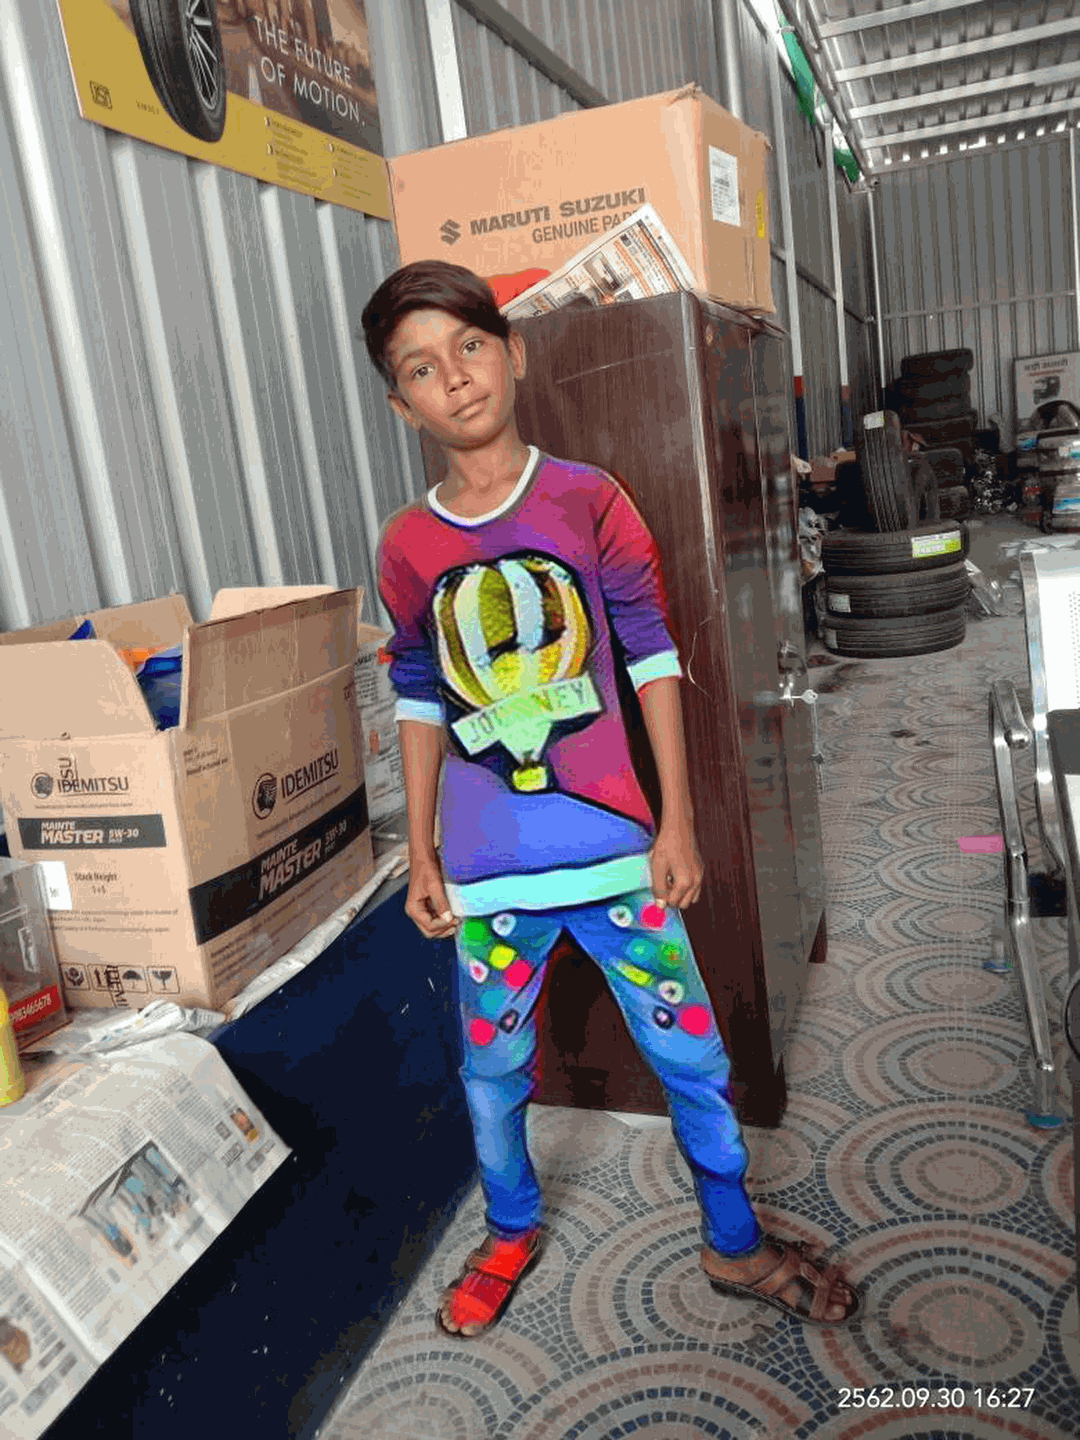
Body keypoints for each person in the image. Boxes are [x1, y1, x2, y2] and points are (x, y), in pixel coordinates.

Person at [362, 260, 860, 1338]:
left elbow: (650, 654)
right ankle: (510, 1227)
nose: (456, 377)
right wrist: (424, 853)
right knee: (493, 1070)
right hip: (490, 877)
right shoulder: (406, 547)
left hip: (616, 858)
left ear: (513, 353)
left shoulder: (589, 500)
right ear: (402, 406)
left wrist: (676, 820)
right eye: (422, 367)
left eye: (470, 346)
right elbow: (419, 694)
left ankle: (732, 1240)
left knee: (692, 1057)